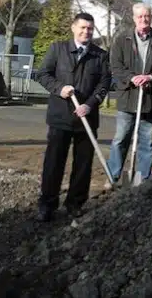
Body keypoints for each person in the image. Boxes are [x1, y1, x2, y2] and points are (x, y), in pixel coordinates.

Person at [34, 12, 111, 221]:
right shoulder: (57, 50)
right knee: (53, 163)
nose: (86, 32)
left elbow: (104, 84)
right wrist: (59, 88)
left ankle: (75, 203)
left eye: (90, 29)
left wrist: (90, 104)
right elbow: (42, 74)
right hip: (60, 117)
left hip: (86, 118)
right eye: (82, 27)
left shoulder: (100, 55)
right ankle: (47, 204)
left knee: (83, 164)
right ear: (73, 27)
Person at [106, 3, 152, 188]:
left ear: (151, 17)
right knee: (121, 139)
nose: (144, 19)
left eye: (147, 16)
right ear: (134, 18)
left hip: (151, 100)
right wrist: (132, 78)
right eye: (140, 16)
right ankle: (113, 176)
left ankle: (143, 179)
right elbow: (116, 67)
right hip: (128, 98)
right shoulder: (122, 40)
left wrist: (150, 77)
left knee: (148, 142)